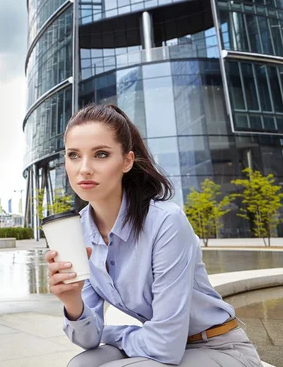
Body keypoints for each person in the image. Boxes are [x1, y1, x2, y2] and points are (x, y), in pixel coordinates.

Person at [45, 104, 261, 367]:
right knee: (80, 364)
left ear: (127, 161)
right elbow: (90, 340)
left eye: (101, 154)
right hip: (161, 346)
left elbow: (164, 348)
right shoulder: (79, 233)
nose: (84, 168)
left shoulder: (165, 222)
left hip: (218, 347)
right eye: (74, 155)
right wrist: (73, 303)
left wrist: (114, 334)